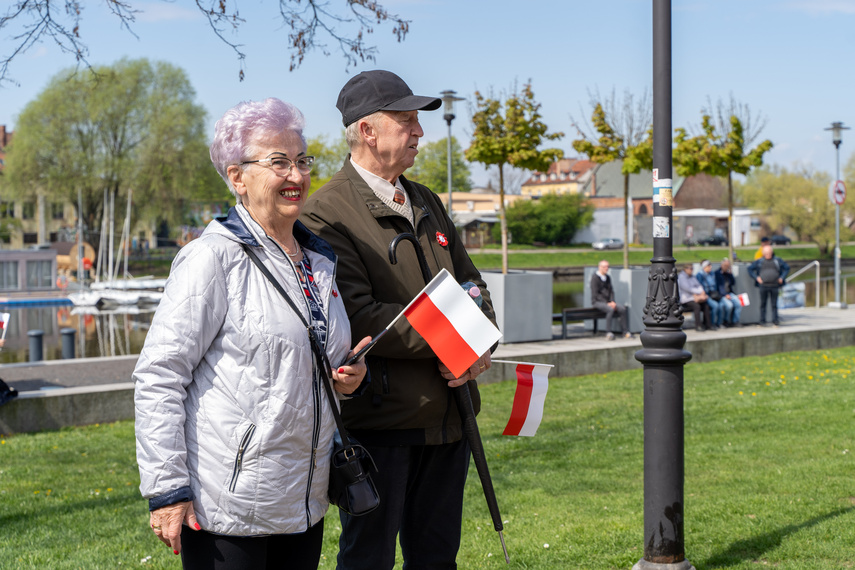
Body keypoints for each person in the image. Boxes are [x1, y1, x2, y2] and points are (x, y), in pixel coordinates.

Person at [134, 98, 370, 569]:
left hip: (304, 498)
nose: (297, 175)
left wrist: (346, 374)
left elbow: (302, 355)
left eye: (302, 161)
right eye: (278, 162)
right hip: (228, 505)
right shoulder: (212, 259)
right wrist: (167, 490)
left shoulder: (318, 261)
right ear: (237, 177)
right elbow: (160, 376)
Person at [300, 70, 497, 570]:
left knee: (436, 557)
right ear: (367, 131)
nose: (420, 132)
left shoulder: (426, 200)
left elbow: (474, 287)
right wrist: (459, 338)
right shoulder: (324, 214)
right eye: (406, 121)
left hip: (451, 416)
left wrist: (479, 347)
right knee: (368, 559)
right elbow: (359, 312)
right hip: (382, 424)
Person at [748, 243, 790, 326]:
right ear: (763, 254)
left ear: (772, 252)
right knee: (763, 304)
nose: (768, 255)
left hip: (775, 285)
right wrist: (756, 277)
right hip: (763, 286)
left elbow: (787, 268)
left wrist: (782, 277)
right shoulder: (759, 261)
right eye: (766, 253)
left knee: (774, 304)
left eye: (769, 253)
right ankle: (762, 321)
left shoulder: (777, 260)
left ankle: (775, 320)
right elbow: (750, 269)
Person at [590, 260, 632, 340]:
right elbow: (596, 294)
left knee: (622, 309)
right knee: (610, 310)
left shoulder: (608, 277)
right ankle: (608, 332)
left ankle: (625, 331)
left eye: (607, 267)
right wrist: (607, 303)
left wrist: (612, 301)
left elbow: (611, 291)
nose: (606, 268)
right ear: (600, 267)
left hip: (608, 302)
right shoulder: (594, 278)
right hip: (597, 302)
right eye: (604, 267)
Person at [678, 263, 712, 331]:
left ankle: (708, 325)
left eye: (692, 268)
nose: (692, 270)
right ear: (685, 269)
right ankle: (698, 326)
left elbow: (699, 285)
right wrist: (698, 293)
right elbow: (687, 288)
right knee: (697, 306)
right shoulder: (681, 277)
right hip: (686, 299)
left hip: (696, 297)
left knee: (706, 305)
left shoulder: (692, 277)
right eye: (690, 268)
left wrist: (701, 293)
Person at [714, 257, 742, 326]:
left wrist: (730, 274)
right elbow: (719, 286)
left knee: (739, 303)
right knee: (729, 305)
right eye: (725, 266)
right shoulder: (717, 273)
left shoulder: (728, 274)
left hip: (730, 293)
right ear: (721, 265)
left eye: (728, 266)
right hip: (721, 294)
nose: (726, 267)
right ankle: (725, 321)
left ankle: (735, 321)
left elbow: (733, 283)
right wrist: (725, 294)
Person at [695, 259, 722, 329]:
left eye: (710, 266)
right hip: (706, 295)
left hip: (714, 294)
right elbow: (698, 286)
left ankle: (718, 323)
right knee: (715, 306)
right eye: (708, 266)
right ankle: (711, 324)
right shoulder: (700, 275)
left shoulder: (712, 273)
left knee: (722, 305)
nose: (710, 267)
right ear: (704, 267)